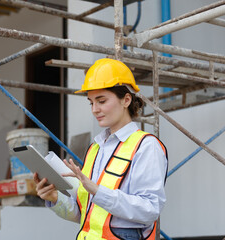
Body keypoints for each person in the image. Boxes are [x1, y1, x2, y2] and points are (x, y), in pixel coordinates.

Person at [34, 58, 168, 240]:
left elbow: (149, 210)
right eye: (91, 102)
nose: (95, 109)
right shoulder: (95, 149)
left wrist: (97, 191)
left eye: (101, 101)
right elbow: (85, 215)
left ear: (126, 100)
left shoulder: (146, 146)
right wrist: (55, 198)